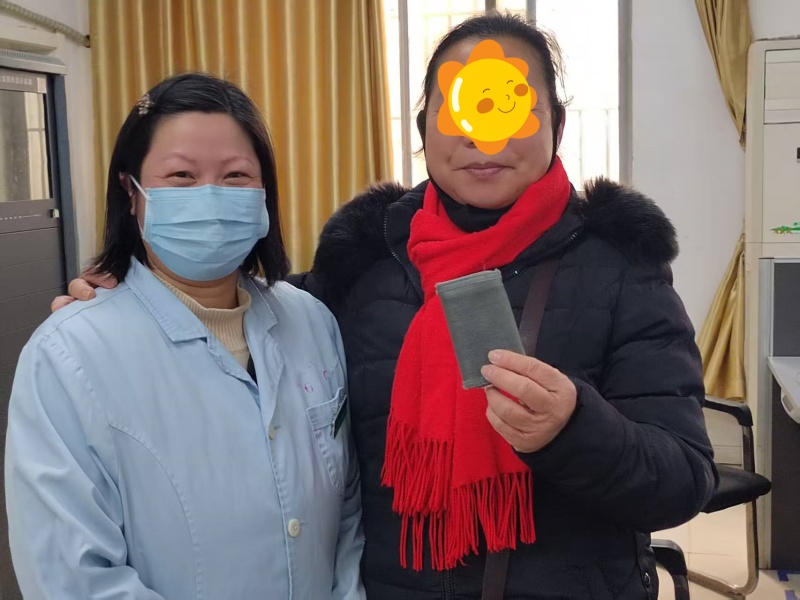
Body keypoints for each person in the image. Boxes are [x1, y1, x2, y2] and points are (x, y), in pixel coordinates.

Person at [55, 14, 717, 600]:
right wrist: (133, 298)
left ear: (557, 124)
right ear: (424, 125)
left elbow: (684, 480)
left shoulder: (621, 266)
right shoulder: (365, 258)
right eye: (457, 112)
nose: (481, 138)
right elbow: (247, 324)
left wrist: (574, 430)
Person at [7, 73, 365, 599]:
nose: (211, 196)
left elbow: (348, 515)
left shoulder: (311, 321)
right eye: (181, 176)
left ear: (264, 193)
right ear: (131, 192)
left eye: (236, 175)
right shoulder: (67, 355)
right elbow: (72, 577)